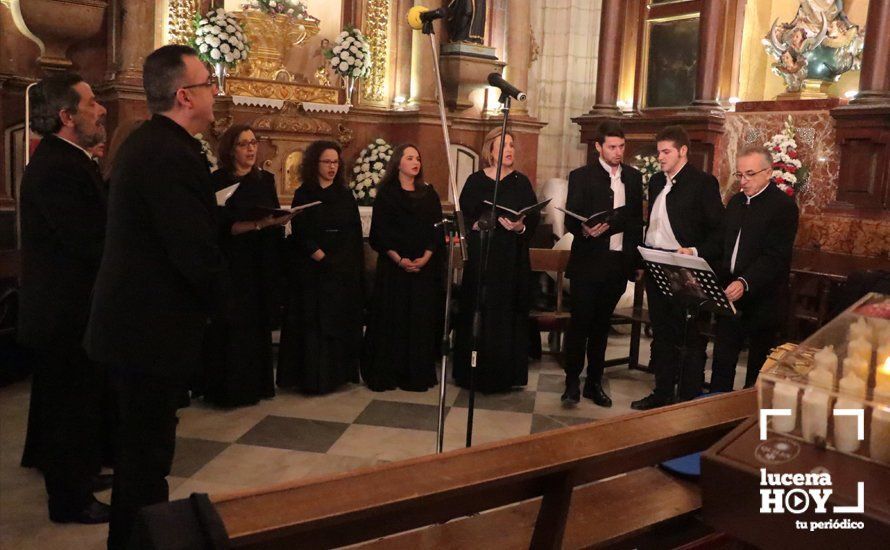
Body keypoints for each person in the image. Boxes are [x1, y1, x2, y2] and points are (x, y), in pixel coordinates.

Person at [84, 45, 230, 549]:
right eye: (210, 83)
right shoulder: (171, 154)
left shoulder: (151, 144)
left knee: (141, 457)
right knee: (145, 463)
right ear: (185, 95)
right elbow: (191, 249)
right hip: (147, 333)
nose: (217, 92)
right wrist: (225, 308)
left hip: (135, 328)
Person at [18, 72, 109, 524]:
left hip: (73, 308)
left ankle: (79, 477)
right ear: (67, 116)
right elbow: (85, 239)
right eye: (92, 103)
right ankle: (69, 501)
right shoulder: (56, 165)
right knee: (66, 407)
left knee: (78, 402)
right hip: (61, 312)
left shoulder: (71, 159)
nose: (103, 109)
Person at [631, 125, 724, 410]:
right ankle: (661, 391)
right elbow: (654, 224)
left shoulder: (702, 183)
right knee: (661, 332)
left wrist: (694, 251)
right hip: (657, 263)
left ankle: (687, 396)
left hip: (684, 267)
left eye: (666, 151)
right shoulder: (658, 181)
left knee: (688, 333)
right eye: (658, 151)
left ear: (683, 151)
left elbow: (719, 230)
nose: (660, 157)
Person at [202, 125, 291, 407]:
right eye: (244, 144)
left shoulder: (265, 179)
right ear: (230, 149)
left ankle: (257, 385)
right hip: (231, 262)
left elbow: (272, 213)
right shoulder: (217, 180)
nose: (251, 149)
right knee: (231, 326)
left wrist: (278, 220)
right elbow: (218, 226)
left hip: (259, 262)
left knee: (256, 325)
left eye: (254, 143)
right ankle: (228, 389)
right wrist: (257, 224)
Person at [561, 121, 644, 406]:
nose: (618, 152)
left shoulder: (633, 178)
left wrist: (635, 262)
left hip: (617, 263)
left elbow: (635, 222)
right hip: (587, 263)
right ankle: (572, 382)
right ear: (598, 147)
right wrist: (584, 229)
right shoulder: (581, 176)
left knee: (601, 327)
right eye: (612, 147)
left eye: (621, 146)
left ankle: (594, 383)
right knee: (580, 324)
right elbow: (570, 219)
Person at [453, 129, 539, 394]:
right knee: (480, 308)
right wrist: (478, 224)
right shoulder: (475, 181)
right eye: (503, 146)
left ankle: (506, 373)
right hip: (483, 255)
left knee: (506, 313)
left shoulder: (521, 182)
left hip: (511, 256)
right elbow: (463, 219)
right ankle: (472, 372)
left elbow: (532, 220)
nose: (509, 150)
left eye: (512, 145)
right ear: (490, 151)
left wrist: (519, 227)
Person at [277, 140, 364, 394]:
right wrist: (321, 257)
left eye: (335, 162)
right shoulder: (304, 193)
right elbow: (301, 231)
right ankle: (311, 378)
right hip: (313, 271)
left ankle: (335, 376)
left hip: (339, 270)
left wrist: (339, 260)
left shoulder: (345, 195)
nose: (332, 167)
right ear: (315, 164)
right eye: (326, 162)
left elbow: (353, 231)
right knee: (312, 324)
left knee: (335, 323)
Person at [710, 145, 799, 391]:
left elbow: (775, 256)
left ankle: (749, 417)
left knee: (758, 367)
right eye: (739, 174)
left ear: (768, 172)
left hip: (763, 297)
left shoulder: (783, 207)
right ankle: (717, 410)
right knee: (722, 358)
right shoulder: (736, 202)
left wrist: (745, 282)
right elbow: (723, 245)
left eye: (750, 174)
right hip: (730, 293)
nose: (743, 181)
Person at [361, 144, 444, 392]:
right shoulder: (387, 193)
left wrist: (426, 257)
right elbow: (379, 233)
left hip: (422, 269)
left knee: (418, 321)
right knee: (392, 320)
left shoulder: (429, 194)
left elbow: (436, 230)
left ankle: (415, 374)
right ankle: (388, 372)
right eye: (410, 158)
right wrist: (399, 259)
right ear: (398, 163)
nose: (415, 162)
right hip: (394, 269)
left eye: (417, 158)